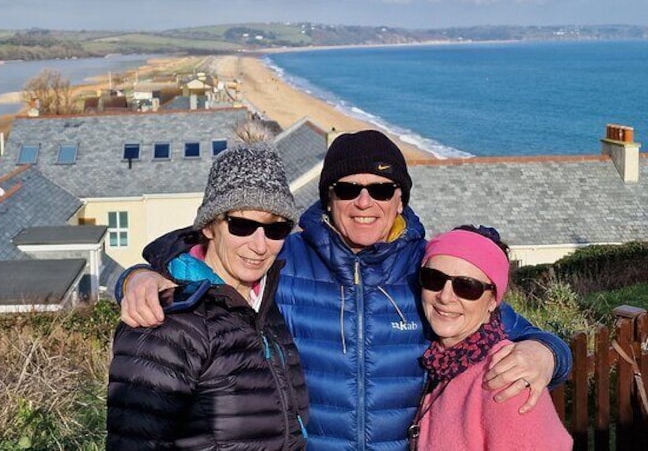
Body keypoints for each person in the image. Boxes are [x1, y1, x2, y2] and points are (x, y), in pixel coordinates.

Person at [118, 129, 572, 450]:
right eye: (348, 188)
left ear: (400, 199)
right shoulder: (282, 259)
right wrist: (138, 276)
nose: (364, 202)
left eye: (381, 189)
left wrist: (547, 354)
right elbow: (212, 256)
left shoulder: (432, 274)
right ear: (327, 198)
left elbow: (512, 329)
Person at [106, 137, 309, 450]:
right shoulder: (167, 321)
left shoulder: (265, 306)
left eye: (275, 228)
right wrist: (135, 277)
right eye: (241, 225)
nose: (259, 245)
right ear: (209, 226)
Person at [410, 226, 572, 450]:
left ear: (493, 301)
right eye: (433, 279)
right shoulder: (443, 364)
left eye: (467, 286)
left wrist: (548, 352)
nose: (445, 297)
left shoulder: (506, 377)